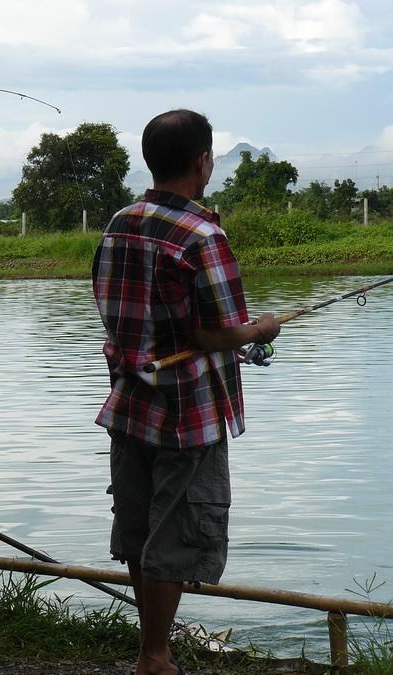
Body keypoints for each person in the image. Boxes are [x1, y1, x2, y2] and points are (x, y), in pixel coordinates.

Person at [91, 110, 281, 675]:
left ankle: (153, 649)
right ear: (203, 161)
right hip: (188, 415)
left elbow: (121, 313)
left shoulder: (118, 223)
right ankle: (155, 657)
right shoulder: (203, 234)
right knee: (175, 533)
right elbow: (214, 333)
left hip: (129, 405)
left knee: (139, 529)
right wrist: (260, 330)